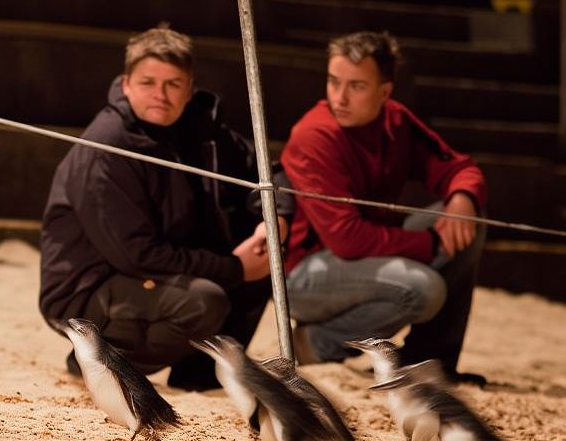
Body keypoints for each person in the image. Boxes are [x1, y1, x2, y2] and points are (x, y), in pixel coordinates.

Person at [39, 26, 293, 391]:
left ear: (189, 90)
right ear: (126, 84)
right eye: (148, 83)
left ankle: (199, 376)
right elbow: (136, 255)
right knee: (204, 301)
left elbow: (270, 173)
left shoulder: (202, 130)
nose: (161, 95)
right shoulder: (107, 146)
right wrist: (234, 268)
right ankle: (102, 361)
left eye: (173, 84)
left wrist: (276, 219)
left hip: (156, 267)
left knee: (263, 258)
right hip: (89, 287)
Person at [281, 31, 488, 385]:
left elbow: (457, 167)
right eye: (334, 82)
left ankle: (430, 361)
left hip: (364, 254)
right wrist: (431, 245)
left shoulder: (395, 120)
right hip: (304, 274)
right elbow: (347, 239)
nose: (340, 97)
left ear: (385, 92)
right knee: (423, 288)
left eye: (356, 86)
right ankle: (318, 344)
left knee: (467, 220)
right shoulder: (315, 135)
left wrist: (463, 198)